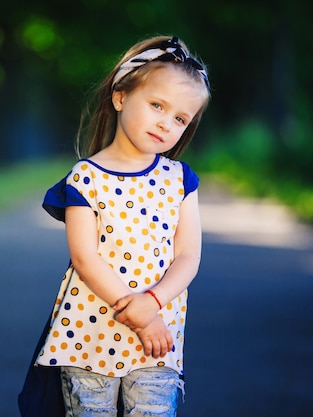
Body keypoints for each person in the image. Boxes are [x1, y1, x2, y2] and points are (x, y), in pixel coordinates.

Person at [19, 35, 211, 417]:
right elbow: (85, 258)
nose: (165, 123)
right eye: (157, 105)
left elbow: (188, 255)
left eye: (179, 118)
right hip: (88, 336)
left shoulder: (179, 179)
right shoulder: (85, 178)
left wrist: (153, 306)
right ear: (120, 97)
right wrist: (139, 312)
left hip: (156, 340)